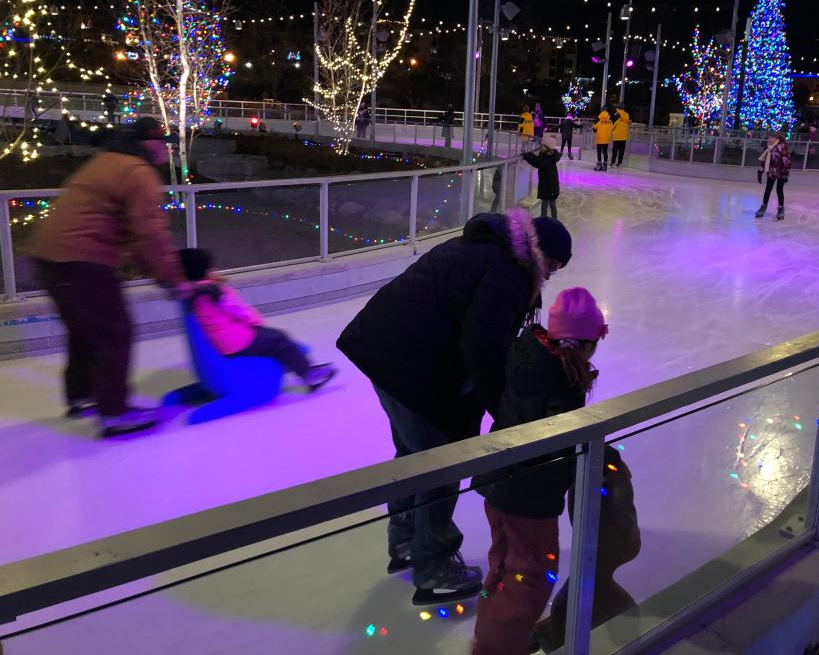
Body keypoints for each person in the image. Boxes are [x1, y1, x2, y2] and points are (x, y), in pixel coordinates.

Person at [337, 209, 573, 606]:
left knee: (414, 455)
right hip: (407, 367)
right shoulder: (510, 272)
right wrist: (504, 408)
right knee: (442, 465)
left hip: (385, 356)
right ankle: (435, 567)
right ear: (540, 253)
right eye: (551, 265)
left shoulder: (485, 249)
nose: (549, 275)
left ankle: (407, 543)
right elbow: (482, 346)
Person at [471, 287, 608, 655]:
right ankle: (496, 647)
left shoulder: (527, 353)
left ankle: (491, 633)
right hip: (528, 498)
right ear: (587, 342)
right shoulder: (563, 379)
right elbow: (556, 439)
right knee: (529, 577)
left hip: (498, 482)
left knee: (502, 565)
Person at [30, 117, 185, 436]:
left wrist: (155, 271)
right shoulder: (138, 173)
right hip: (82, 260)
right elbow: (150, 235)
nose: (166, 150)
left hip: (49, 255)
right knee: (114, 332)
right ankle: (113, 412)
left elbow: (132, 237)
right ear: (146, 144)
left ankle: (82, 396)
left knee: (85, 330)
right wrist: (175, 280)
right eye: (162, 143)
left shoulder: (107, 161)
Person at [533, 446, 642, 653]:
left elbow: (616, 520)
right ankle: (551, 634)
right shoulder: (597, 474)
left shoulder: (600, 475)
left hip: (607, 546)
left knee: (577, 596)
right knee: (577, 596)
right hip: (606, 545)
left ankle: (551, 635)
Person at [177, 248, 336, 390]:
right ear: (205, 270)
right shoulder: (214, 292)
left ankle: (301, 366)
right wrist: (255, 320)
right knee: (279, 339)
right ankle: (308, 373)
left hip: (227, 340)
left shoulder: (194, 292)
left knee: (271, 335)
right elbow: (237, 309)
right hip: (238, 342)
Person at [523, 135, 563, 220]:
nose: (541, 146)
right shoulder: (546, 155)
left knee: (551, 204)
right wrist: (529, 154)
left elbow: (537, 163)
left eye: (543, 145)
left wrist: (526, 156)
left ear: (548, 147)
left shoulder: (548, 158)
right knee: (545, 203)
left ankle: (554, 220)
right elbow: (537, 160)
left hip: (550, 186)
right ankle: (544, 220)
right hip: (547, 184)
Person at [755, 131, 791, 221]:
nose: (769, 139)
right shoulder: (769, 148)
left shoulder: (782, 146)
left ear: (776, 138)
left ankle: (781, 209)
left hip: (781, 172)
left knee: (779, 190)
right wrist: (760, 171)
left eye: (771, 138)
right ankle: (763, 207)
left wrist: (786, 173)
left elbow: (786, 160)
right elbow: (764, 160)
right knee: (768, 189)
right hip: (771, 171)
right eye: (769, 138)